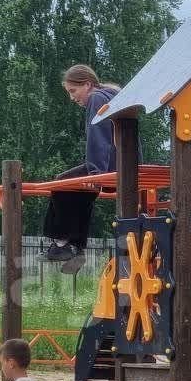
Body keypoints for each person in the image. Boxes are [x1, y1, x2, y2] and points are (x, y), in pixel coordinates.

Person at [43, 64, 120, 274]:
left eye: (73, 91)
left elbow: (98, 137)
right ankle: (75, 247)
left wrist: (96, 174)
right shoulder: (110, 96)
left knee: (62, 184)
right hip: (121, 163)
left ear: (87, 84)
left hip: (111, 166)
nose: (71, 97)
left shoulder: (97, 98)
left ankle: (62, 243)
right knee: (81, 192)